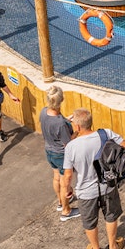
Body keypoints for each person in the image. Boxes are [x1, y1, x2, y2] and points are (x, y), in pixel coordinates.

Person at [60, 108, 125, 249]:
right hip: (108, 185)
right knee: (111, 216)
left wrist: (67, 190)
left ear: (77, 127)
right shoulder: (105, 134)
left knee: (90, 222)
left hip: (86, 191)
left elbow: (68, 175)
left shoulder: (71, 147)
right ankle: (113, 248)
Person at [39, 86, 76, 216]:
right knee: (65, 182)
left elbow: (54, 121)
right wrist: (76, 132)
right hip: (61, 154)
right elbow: (68, 143)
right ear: (62, 99)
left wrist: (66, 120)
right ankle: (66, 211)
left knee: (56, 177)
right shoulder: (60, 124)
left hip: (49, 150)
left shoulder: (43, 112)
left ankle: (60, 202)